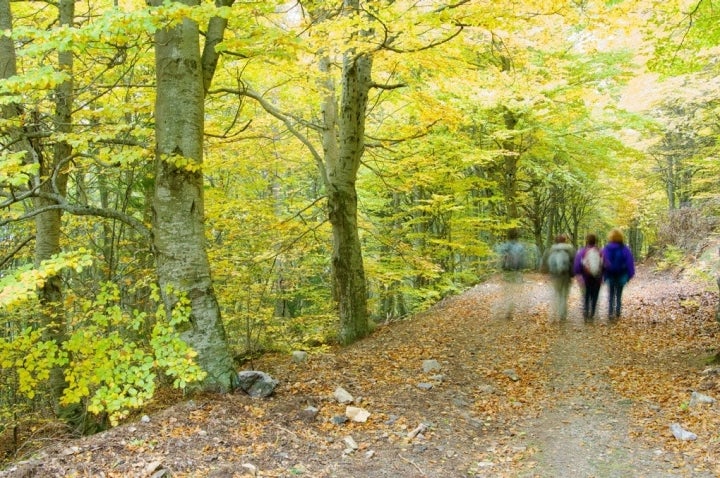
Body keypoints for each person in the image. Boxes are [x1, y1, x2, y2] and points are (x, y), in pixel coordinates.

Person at [602, 228, 635, 320]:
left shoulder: (606, 248)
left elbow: (602, 262)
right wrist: (630, 275)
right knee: (619, 294)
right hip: (621, 275)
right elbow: (630, 262)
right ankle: (618, 311)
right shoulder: (624, 249)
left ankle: (610, 312)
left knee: (611, 293)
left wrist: (602, 275)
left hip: (610, 274)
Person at [541, 234, 576, 321]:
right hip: (566, 275)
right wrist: (573, 273)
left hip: (555, 275)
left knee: (557, 293)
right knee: (564, 295)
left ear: (555, 241)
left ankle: (553, 315)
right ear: (565, 240)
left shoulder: (551, 249)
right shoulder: (570, 249)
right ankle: (562, 315)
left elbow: (544, 263)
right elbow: (575, 262)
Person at [496, 228, 527, 320]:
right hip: (516, 271)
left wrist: (500, 268)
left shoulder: (504, 246)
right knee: (512, 290)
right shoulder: (520, 247)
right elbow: (522, 261)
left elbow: (500, 257)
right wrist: (521, 270)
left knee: (507, 290)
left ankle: (507, 307)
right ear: (517, 236)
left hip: (506, 270)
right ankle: (509, 309)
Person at [573, 233, 603, 321]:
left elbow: (577, 266)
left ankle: (586, 312)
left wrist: (578, 275)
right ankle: (592, 313)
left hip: (585, 278)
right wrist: (603, 275)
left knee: (586, 296)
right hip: (597, 278)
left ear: (587, 241)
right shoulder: (600, 251)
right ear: (595, 241)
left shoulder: (582, 251)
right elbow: (605, 265)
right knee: (594, 296)